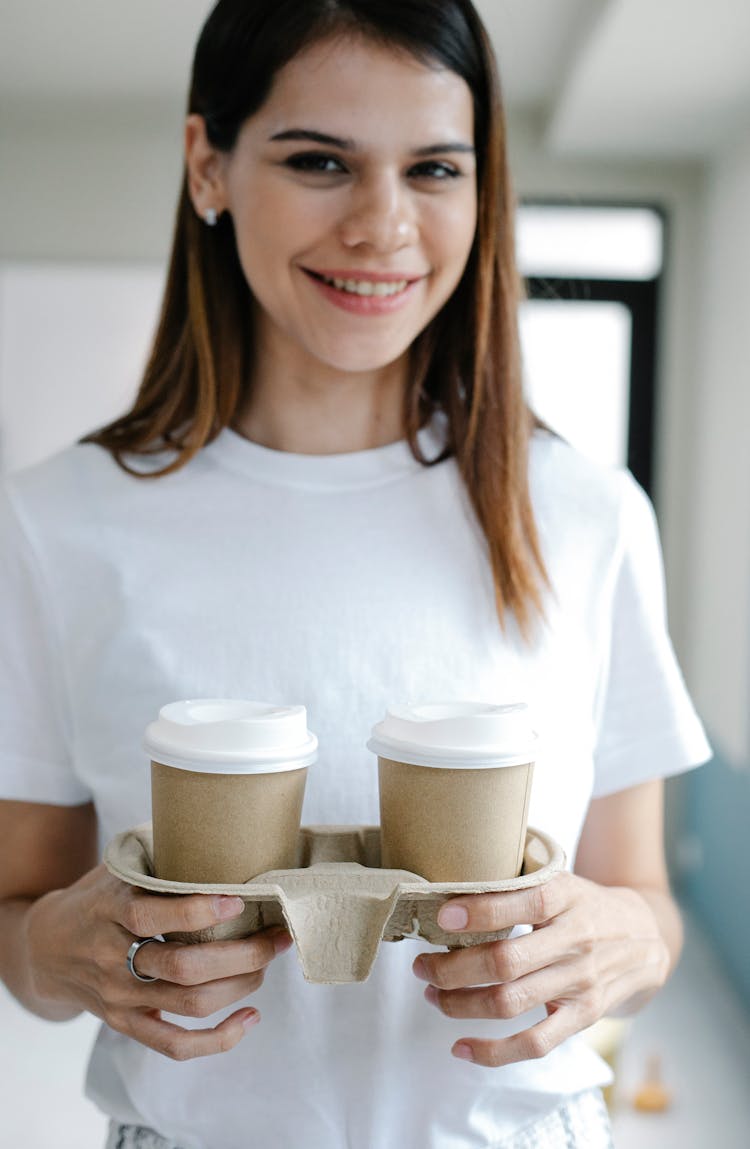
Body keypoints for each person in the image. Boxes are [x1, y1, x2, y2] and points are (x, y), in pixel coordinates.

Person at [0, 1, 710, 1147]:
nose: (383, 224)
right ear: (208, 165)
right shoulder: (55, 525)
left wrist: (628, 944)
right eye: (320, 160)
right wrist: (64, 950)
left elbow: (647, 905)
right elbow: (19, 922)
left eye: (434, 167)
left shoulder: (584, 515)